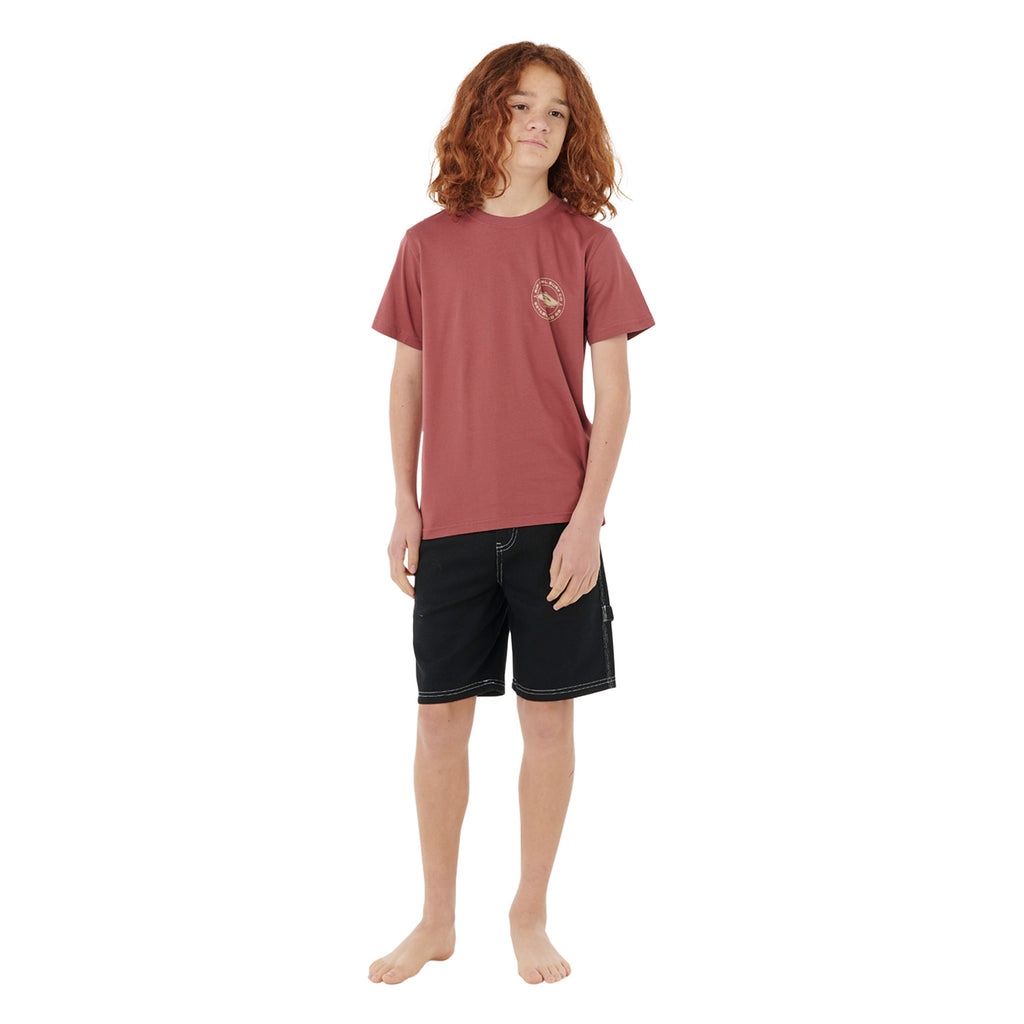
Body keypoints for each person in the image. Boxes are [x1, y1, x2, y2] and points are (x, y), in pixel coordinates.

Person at [368, 41, 654, 985]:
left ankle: (529, 910)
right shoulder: (425, 246)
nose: (539, 122)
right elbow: (407, 381)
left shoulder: (588, 245)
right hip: (450, 524)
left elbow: (616, 397)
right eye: (522, 104)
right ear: (484, 113)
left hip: (554, 528)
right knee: (438, 722)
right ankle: (436, 919)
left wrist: (588, 520)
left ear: (575, 131)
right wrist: (404, 502)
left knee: (549, 723)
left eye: (558, 111)